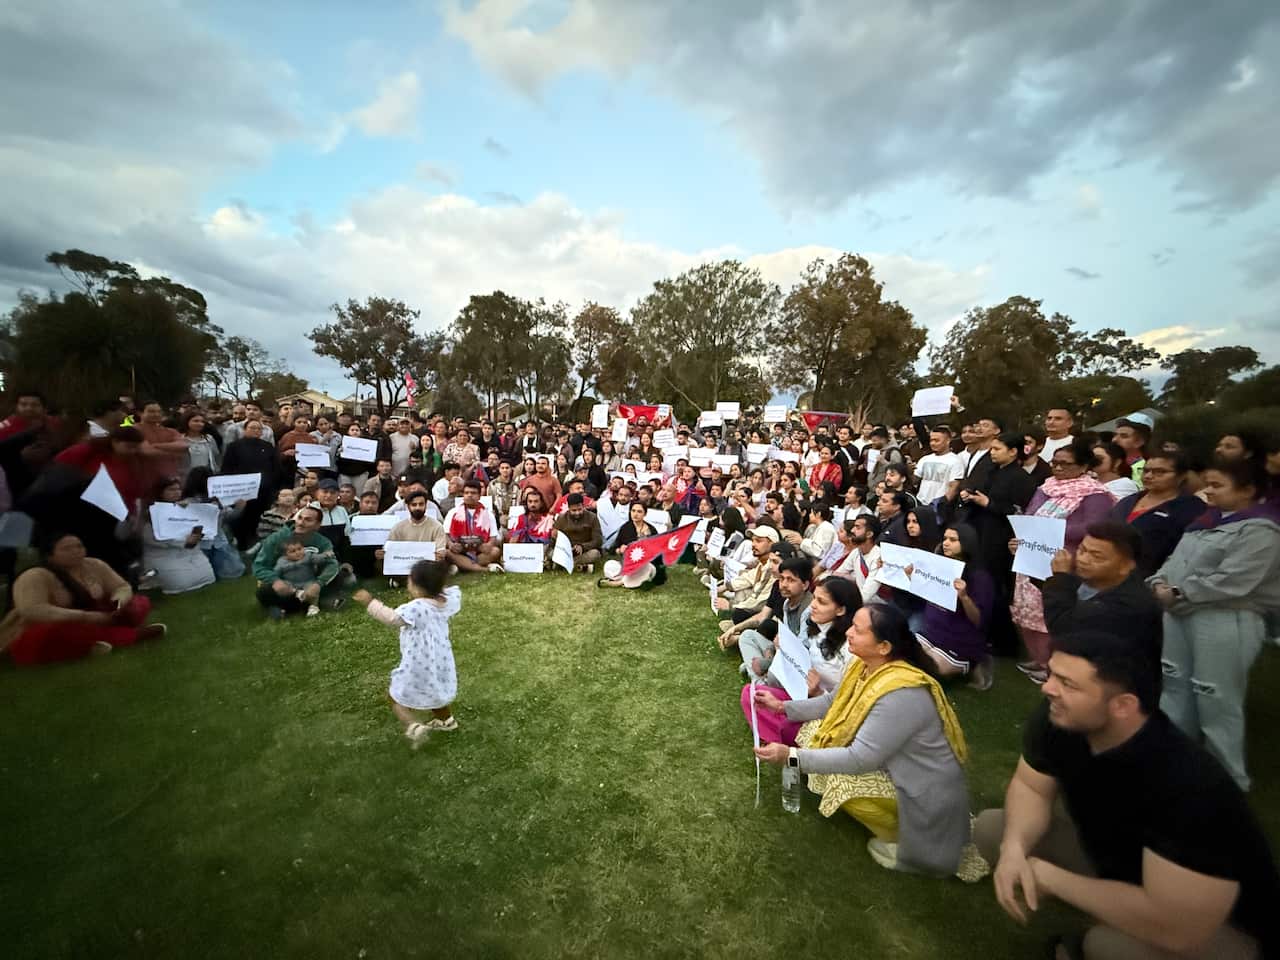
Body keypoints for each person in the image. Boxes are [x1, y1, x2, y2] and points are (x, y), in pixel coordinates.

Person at [975, 630, 1279, 958]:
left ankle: (1105, 931)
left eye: (1068, 684)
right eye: (1053, 675)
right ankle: (1108, 917)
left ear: (1123, 705)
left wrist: (1053, 879)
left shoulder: (1188, 786)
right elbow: (1031, 786)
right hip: (1128, 872)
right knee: (995, 830)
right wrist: (1014, 849)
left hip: (1216, 926)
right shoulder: (1061, 720)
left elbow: (1179, 927)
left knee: (1109, 947)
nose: (1048, 688)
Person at [752, 605, 975, 878]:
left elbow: (859, 759)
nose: (847, 632)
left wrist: (790, 756)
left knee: (839, 778)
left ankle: (905, 840)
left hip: (923, 794)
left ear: (883, 647)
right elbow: (832, 702)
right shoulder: (863, 664)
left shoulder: (901, 693)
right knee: (815, 737)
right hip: (891, 768)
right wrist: (782, 707)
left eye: (857, 629)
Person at [1148, 457, 1280, 791]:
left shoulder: (1261, 530)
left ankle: (1225, 780)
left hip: (1224, 621)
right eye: (1208, 483)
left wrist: (1178, 592)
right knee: (1175, 687)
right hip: (1178, 614)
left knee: (1215, 697)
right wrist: (1160, 583)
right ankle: (1173, 762)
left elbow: (1235, 580)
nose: (1208, 491)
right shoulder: (1204, 522)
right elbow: (1174, 561)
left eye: (1218, 485)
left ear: (1248, 490)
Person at [1012, 438, 1116, 683]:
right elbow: (1030, 515)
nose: (1057, 468)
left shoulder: (1094, 493)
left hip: (1066, 561)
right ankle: (1039, 658)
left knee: (1055, 612)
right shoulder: (1046, 486)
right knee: (1031, 610)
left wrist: (1053, 531)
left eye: (1065, 464)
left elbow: (1093, 526)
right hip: (1034, 556)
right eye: (1054, 463)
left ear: (1083, 466)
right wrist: (1030, 533)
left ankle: (1054, 664)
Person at [1, 533, 165, 665]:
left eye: (79, 546)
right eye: (67, 549)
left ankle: (95, 643)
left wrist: (118, 603)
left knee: (139, 603)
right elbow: (32, 611)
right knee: (50, 634)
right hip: (48, 627)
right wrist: (84, 616)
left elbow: (122, 587)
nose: (76, 551)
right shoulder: (35, 575)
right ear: (49, 555)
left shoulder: (94, 564)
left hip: (97, 619)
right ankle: (130, 636)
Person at [738, 577, 860, 745]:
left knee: (790, 726)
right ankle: (777, 738)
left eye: (821, 602)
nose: (813, 606)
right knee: (751, 693)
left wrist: (817, 693)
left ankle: (785, 745)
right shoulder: (817, 630)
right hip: (801, 695)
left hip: (825, 710)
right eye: (814, 598)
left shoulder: (851, 648)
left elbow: (846, 703)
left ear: (840, 610)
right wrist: (784, 649)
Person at [354, 560, 462, 743]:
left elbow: (392, 618)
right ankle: (446, 721)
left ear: (418, 587)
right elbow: (447, 589)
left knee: (395, 695)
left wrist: (370, 602)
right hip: (440, 659)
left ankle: (413, 726)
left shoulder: (416, 608)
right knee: (436, 690)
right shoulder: (447, 600)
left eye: (409, 581)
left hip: (418, 662)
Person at [1042, 521, 1162, 649]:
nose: (1082, 559)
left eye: (1096, 556)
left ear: (1126, 565)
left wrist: (1060, 579)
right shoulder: (1090, 579)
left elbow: (1062, 628)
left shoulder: (1129, 605)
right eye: (1082, 550)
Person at [915, 523, 997, 689]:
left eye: (953, 540)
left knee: (927, 670)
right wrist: (912, 577)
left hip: (959, 642)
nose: (945, 543)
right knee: (905, 658)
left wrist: (964, 597)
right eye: (945, 538)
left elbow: (979, 620)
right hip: (931, 633)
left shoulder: (980, 577)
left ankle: (973, 666)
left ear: (966, 543)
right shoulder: (938, 564)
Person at [1111, 450, 1205, 577]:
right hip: (1108, 569)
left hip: (1150, 576)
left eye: (1159, 472)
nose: (1149, 476)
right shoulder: (1129, 500)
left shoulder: (1190, 507)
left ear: (1181, 476)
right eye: (1146, 470)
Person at [252, 504, 343, 618]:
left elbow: (331, 564)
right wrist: (275, 581)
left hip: (310, 582)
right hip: (286, 586)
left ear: (317, 525)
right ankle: (314, 604)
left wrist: (318, 584)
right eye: (299, 518)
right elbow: (259, 566)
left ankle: (287, 608)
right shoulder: (276, 539)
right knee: (263, 592)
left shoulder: (323, 542)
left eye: (308, 520)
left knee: (337, 576)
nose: (300, 523)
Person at [139, 477, 218, 595]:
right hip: (167, 556)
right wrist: (187, 541)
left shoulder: (187, 506)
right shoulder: (151, 514)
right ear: (160, 492)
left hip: (190, 554)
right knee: (182, 581)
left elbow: (201, 528)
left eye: (178, 489)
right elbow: (159, 539)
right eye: (171, 489)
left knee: (207, 576)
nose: (177, 492)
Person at [599, 502, 668, 589]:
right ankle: (636, 582)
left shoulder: (651, 529)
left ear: (645, 514)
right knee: (610, 565)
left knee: (647, 568)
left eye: (639, 512)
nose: (635, 514)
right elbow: (613, 548)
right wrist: (619, 550)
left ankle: (620, 582)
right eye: (633, 511)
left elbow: (658, 553)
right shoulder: (625, 528)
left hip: (645, 564)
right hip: (627, 565)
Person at [443, 479, 503, 574]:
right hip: (460, 551)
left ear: (479, 496)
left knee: (495, 551)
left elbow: (493, 536)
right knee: (446, 553)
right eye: (466, 493)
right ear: (463, 495)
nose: (469, 495)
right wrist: (451, 545)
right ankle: (485, 569)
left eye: (473, 493)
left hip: (479, 551)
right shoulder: (453, 512)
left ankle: (463, 566)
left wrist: (488, 545)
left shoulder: (488, 514)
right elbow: (445, 534)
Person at [272, 535, 326, 617]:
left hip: (307, 581)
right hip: (291, 584)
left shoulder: (308, 556)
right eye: (293, 551)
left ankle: (313, 606)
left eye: (300, 549)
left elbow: (317, 558)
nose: (298, 552)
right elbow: (275, 573)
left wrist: (324, 556)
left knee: (313, 589)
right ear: (285, 555)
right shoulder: (281, 562)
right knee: (282, 587)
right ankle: (285, 607)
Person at [550, 492, 602, 572]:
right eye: (574, 510)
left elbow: (598, 540)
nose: (577, 512)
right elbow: (553, 543)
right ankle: (578, 566)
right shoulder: (561, 518)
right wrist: (554, 537)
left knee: (595, 554)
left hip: (584, 551)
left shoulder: (592, 517)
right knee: (550, 553)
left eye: (579, 509)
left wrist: (582, 546)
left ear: (583, 506)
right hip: (566, 551)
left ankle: (565, 565)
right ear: (569, 508)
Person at [181, 411, 220, 478]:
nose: (200, 424)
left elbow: (216, 456)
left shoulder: (209, 439)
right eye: (196, 421)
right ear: (187, 422)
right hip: (186, 477)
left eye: (202, 422)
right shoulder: (180, 439)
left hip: (207, 476)